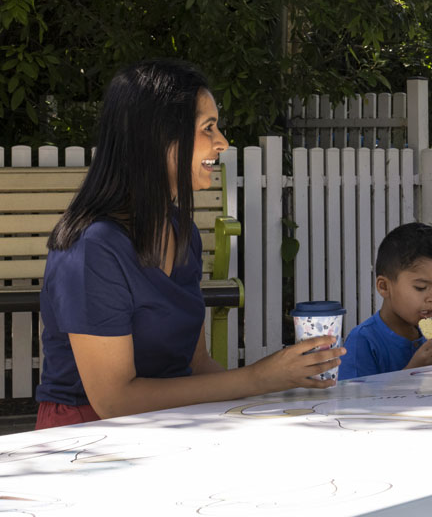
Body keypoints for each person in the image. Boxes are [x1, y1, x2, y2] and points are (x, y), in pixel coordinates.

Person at [35, 59, 345, 430]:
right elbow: (114, 400)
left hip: (173, 425)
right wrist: (260, 377)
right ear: (157, 135)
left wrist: (276, 395)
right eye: (207, 128)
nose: (223, 142)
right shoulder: (92, 247)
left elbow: (196, 367)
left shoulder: (182, 231)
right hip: (86, 439)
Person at [338, 222, 432, 380]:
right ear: (384, 287)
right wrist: (412, 371)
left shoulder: (427, 338)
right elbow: (354, 399)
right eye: (420, 287)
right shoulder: (363, 342)